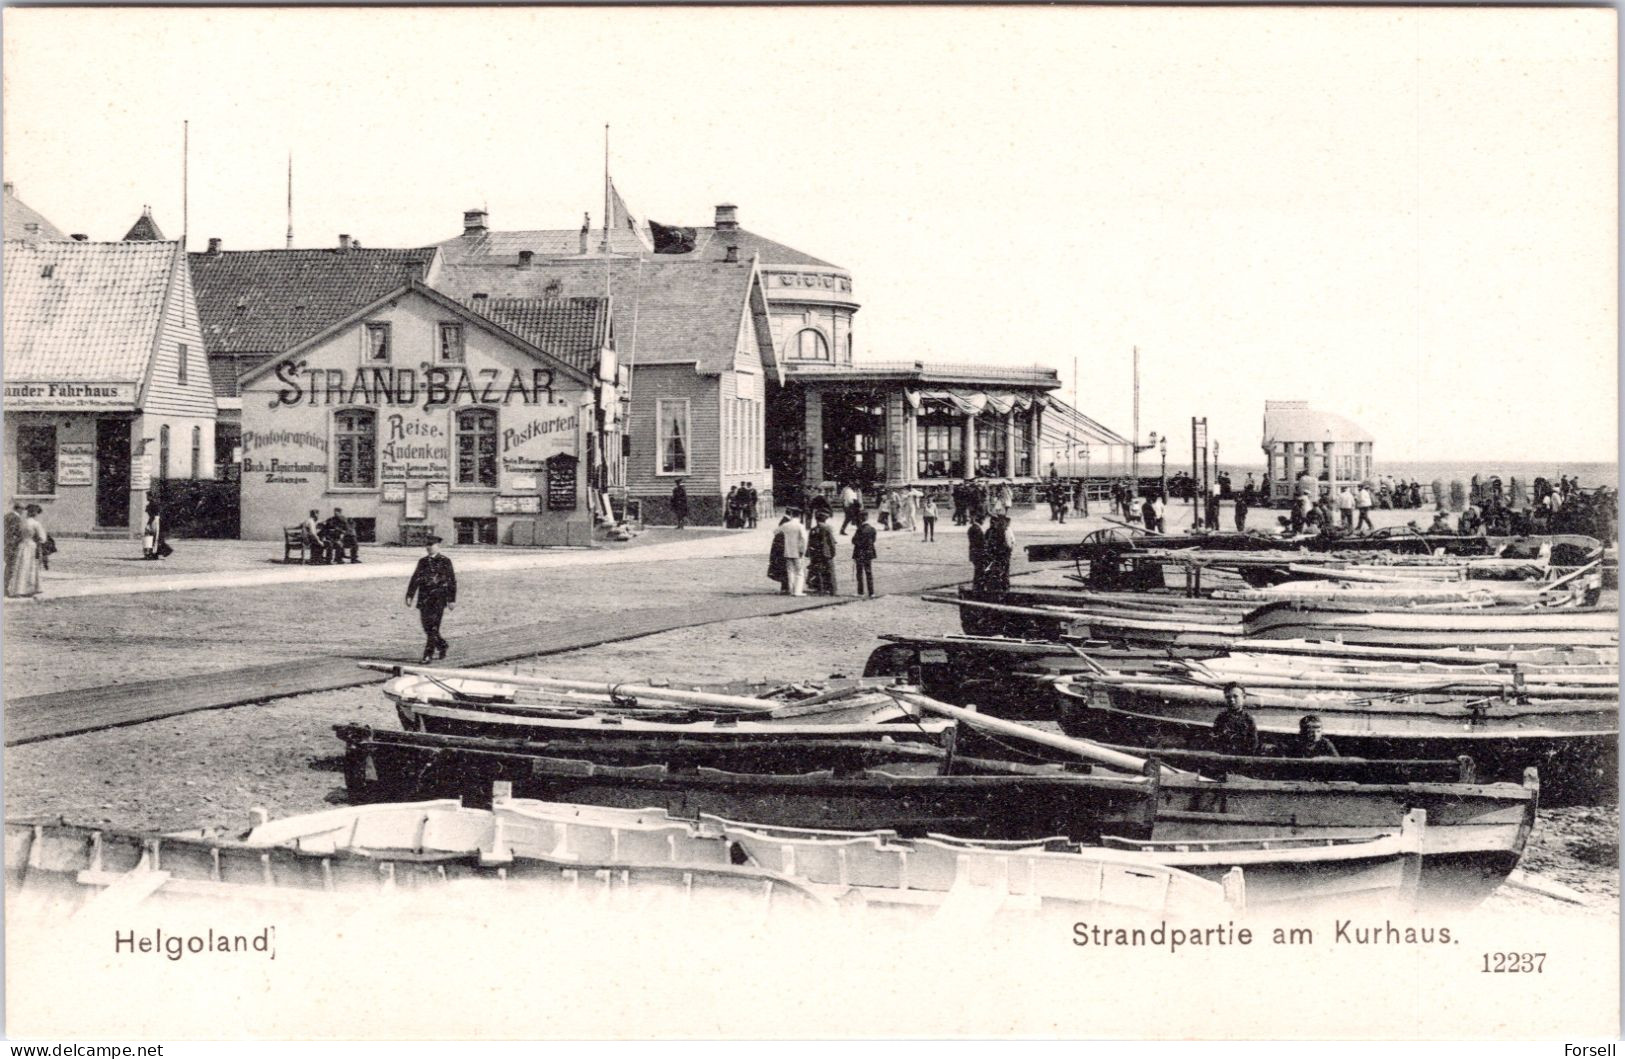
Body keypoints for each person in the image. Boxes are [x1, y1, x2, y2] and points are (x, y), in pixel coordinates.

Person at [405, 536, 456, 663]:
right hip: (424, 598)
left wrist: (451, 599)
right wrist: (409, 595)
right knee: (426, 626)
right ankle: (442, 645)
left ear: (438, 546)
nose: (428, 547)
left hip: (439, 598)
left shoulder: (445, 561)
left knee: (433, 627)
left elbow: (451, 581)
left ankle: (428, 654)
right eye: (427, 545)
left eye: (431, 545)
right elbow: (415, 578)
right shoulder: (422, 561)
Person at [1210, 683, 1260, 756]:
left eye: (1235, 696)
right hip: (1224, 757)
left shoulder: (1248, 719)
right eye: (1228, 697)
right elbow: (1215, 740)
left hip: (1242, 758)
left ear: (1244, 697)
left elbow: (1253, 744)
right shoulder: (1221, 718)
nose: (1232, 700)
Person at [806, 510, 839, 596]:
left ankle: (821, 589)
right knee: (830, 570)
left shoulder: (813, 529)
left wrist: (809, 553)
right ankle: (832, 590)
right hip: (826, 552)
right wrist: (833, 552)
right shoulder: (828, 528)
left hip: (816, 553)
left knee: (818, 571)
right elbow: (831, 541)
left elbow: (810, 542)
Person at [778, 507, 809, 596]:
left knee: (790, 571)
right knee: (799, 572)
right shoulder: (800, 526)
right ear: (799, 516)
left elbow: (776, 532)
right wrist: (803, 550)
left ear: (791, 515)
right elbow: (804, 539)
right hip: (798, 551)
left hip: (787, 551)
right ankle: (798, 591)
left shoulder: (786, 525)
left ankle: (791, 590)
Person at [984, 512, 1014, 592]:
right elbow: (1008, 544)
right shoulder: (1001, 530)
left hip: (997, 555)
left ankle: (998, 588)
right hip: (1000, 555)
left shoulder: (996, 531)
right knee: (1001, 573)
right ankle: (1002, 588)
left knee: (998, 573)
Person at [852, 509, 877, 598]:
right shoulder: (872, 529)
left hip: (860, 552)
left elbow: (854, 540)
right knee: (869, 572)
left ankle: (860, 591)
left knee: (859, 573)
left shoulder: (860, 529)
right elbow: (874, 540)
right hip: (869, 552)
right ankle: (871, 592)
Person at [766, 512, 792, 592]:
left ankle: (785, 587)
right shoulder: (784, 534)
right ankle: (787, 587)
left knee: (783, 571)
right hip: (784, 555)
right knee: (786, 571)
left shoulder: (779, 534)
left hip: (779, 555)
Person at [967, 511, 990, 591]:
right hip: (978, 553)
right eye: (983, 520)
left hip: (974, 553)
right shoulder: (976, 529)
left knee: (978, 571)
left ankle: (977, 587)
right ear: (981, 520)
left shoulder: (973, 528)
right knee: (979, 571)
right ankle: (978, 588)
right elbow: (980, 542)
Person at [3, 500, 24, 589]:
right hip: (13, 545)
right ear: (18, 509)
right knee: (11, 566)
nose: (23, 511)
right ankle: (6, 586)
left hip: (6, 544)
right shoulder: (16, 518)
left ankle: (5, 585)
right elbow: (17, 532)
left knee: (8, 565)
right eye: (22, 509)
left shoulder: (6, 516)